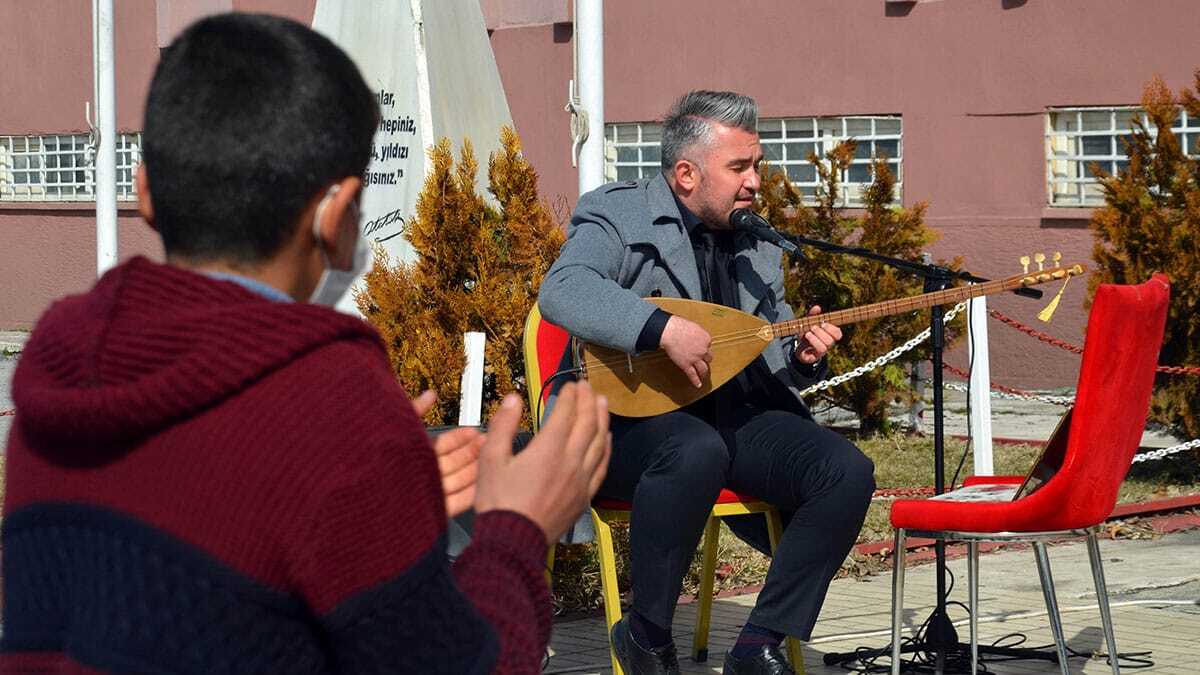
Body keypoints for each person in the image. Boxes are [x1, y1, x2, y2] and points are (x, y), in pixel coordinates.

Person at [1, 13, 610, 675]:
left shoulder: (57, 379)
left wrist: (373, 502)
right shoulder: (330, 400)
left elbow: (192, 580)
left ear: (144, 191)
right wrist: (518, 530)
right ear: (338, 217)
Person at [538, 90, 875, 675]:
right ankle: (646, 636)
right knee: (695, 450)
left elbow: (762, 354)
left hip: (729, 415)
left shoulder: (756, 242)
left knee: (844, 470)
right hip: (621, 423)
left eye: (757, 165)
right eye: (739, 167)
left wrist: (801, 357)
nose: (755, 182)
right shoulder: (617, 214)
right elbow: (564, 289)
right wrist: (660, 328)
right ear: (687, 174)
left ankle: (758, 644)